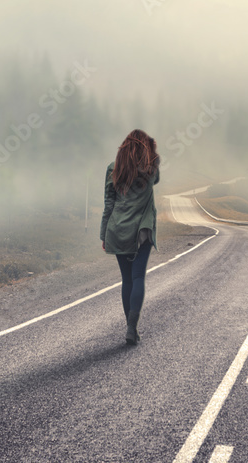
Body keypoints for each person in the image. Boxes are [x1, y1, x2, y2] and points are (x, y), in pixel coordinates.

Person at [100, 129, 161, 345]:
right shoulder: (150, 169)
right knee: (138, 278)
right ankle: (131, 327)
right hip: (141, 232)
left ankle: (130, 329)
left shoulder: (112, 169)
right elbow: (157, 179)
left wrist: (103, 234)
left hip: (117, 230)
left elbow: (109, 204)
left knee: (127, 280)